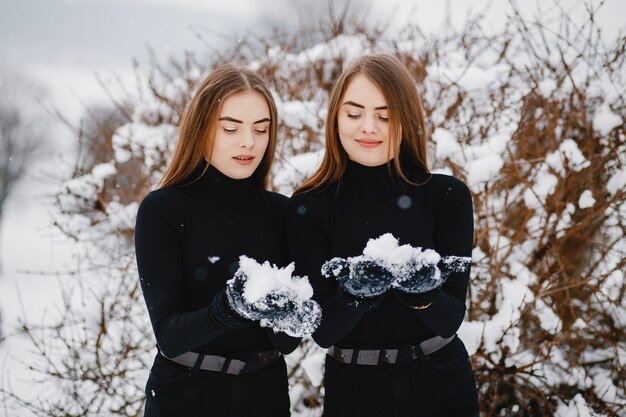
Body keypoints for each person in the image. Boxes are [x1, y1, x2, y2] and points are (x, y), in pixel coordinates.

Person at [285, 54, 480, 416]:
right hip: (355, 391)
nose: (368, 128)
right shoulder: (309, 206)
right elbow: (324, 331)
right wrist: (355, 297)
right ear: (336, 119)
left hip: (443, 387)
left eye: (385, 115)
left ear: (405, 120)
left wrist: (424, 293)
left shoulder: (447, 196)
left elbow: (450, 318)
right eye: (354, 114)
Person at [135, 64, 301, 417]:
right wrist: (227, 310)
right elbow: (169, 335)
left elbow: (288, 342)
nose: (248, 142)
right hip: (183, 397)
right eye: (230, 128)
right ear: (201, 129)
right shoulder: (163, 210)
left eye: (261, 129)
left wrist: (291, 313)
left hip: (265, 395)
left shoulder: (284, 213)